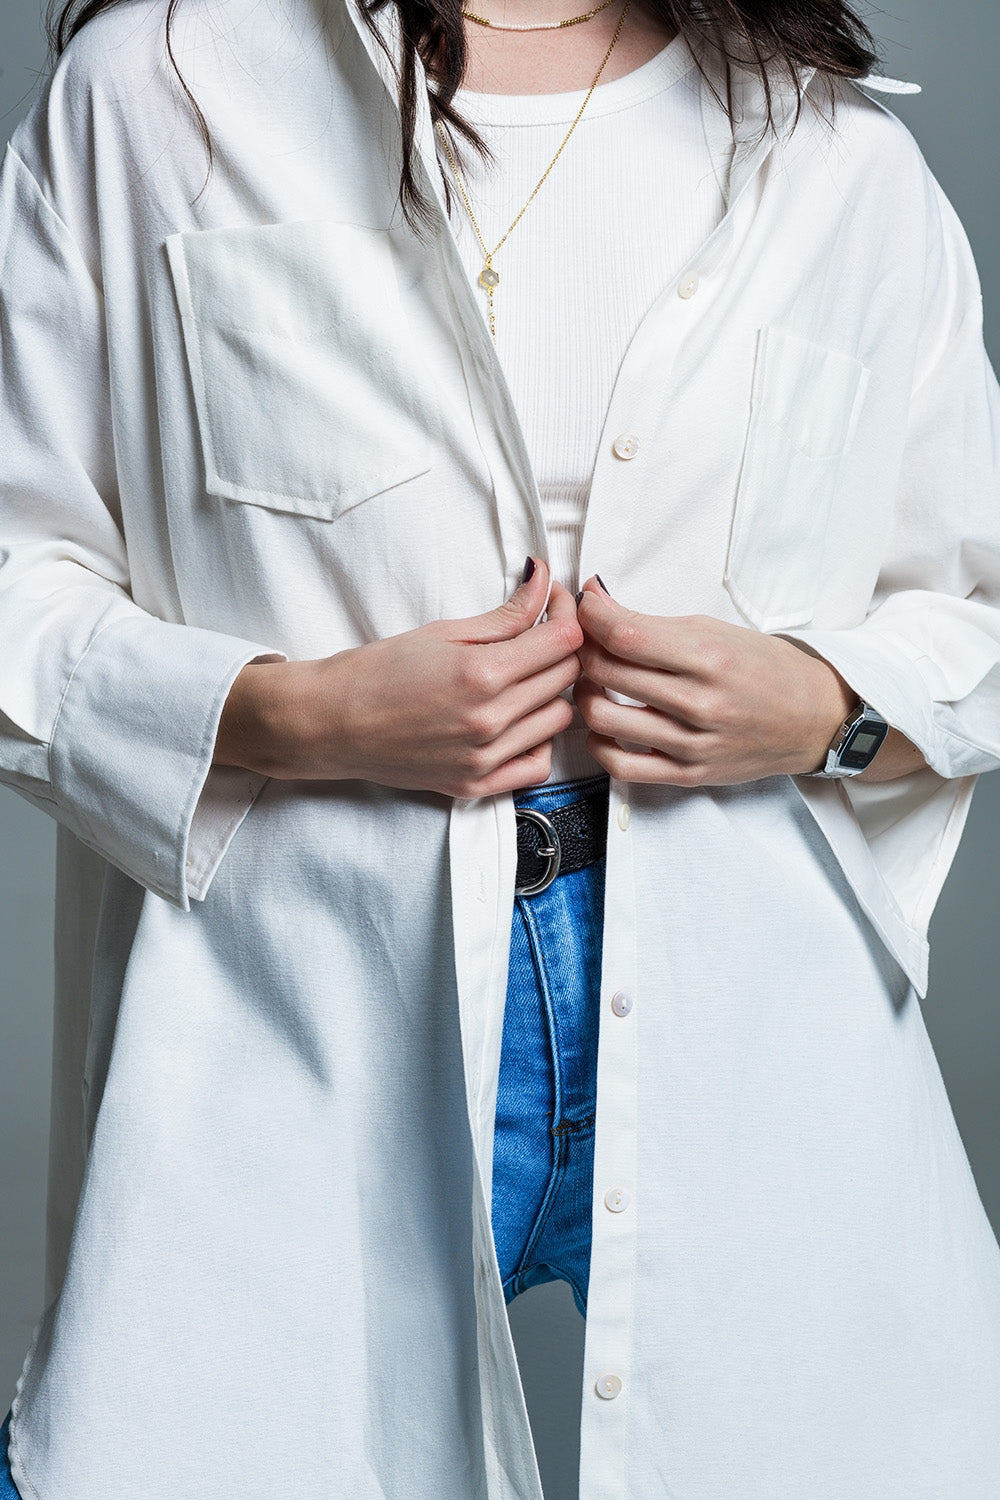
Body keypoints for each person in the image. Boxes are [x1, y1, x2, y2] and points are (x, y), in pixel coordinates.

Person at [1, 0, 999, 1491]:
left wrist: (822, 701)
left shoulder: (838, 153)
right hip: (305, 1011)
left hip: (760, 1036)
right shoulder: (167, 83)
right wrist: (293, 713)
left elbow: (972, 602)